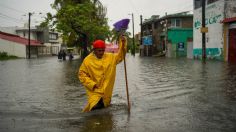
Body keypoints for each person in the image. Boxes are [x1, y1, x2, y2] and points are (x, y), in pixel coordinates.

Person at [78, 36, 127, 112]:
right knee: (93, 107)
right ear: (94, 50)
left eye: (103, 50)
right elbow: (81, 74)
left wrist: (123, 43)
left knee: (105, 109)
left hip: (107, 90)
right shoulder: (87, 60)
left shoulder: (111, 57)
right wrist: (92, 84)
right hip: (95, 90)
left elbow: (120, 56)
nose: (101, 53)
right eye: (99, 51)